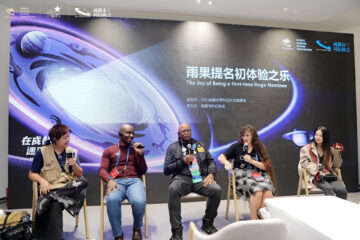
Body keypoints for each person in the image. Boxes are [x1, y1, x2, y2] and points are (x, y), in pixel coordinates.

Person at [28, 124, 88, 240]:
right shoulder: (42, 152)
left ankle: (51, 197)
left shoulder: (72, 152)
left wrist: (74, 164)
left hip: (68, 191)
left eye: (69, 137)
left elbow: (80, 175)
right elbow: (32, 173)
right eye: (65, 138)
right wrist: (42, 181)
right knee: (55, 206)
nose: (68, 140)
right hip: (51, 188)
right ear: (55, 139)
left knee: (84, 181)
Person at [164, 123, 222, 240]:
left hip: (199, 178)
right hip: (182, 179)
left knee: (216, 190)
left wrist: (211, 174)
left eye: (188, 130)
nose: (186, 133)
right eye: (183, 131)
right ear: (178, 134)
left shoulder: (200, 145)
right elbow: (166, 169)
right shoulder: (173, 148)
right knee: (173, 189)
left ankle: (207, 223)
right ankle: (177, 231)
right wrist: (182, 161)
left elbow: (211, 161)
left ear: (191, 131)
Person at [98, 124, 147, 240]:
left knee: (139, 201)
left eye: (132, 133)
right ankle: (118, 234)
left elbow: (143, 170)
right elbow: (102, 170)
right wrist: (109, 180)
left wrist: (140, 155)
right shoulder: (109, 151)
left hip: (134, 181)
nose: (131, 135)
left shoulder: (136, 150)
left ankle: (137, 228)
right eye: (128, 133)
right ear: (120, 134)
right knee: (112, 199)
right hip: (116, 181)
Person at [218, 124, 276, 220]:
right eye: (243, 135)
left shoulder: (259, 147)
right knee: (257, 190)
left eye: (247, 135)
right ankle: (254, 219)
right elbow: (221, 157)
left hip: (257, 175)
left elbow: (266, 166)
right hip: (240, 176)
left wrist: (251, 161)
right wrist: (226, 162)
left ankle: (263, 216)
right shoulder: (236, 147)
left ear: (253, 136)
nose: (244, 138)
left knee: (268, 189)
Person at [299, 126, 347, 199]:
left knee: (341, 190)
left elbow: (337, 165)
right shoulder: (305, 149)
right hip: (315, 175)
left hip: (329, 175)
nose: (317, 137)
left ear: (325, 137)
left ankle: (341, 209)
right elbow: (304, 163)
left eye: (320, 136)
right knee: (328, 189)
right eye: (316, 135)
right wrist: (318, 169)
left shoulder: (330, 149)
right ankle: (329, 210)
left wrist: (337, 153)